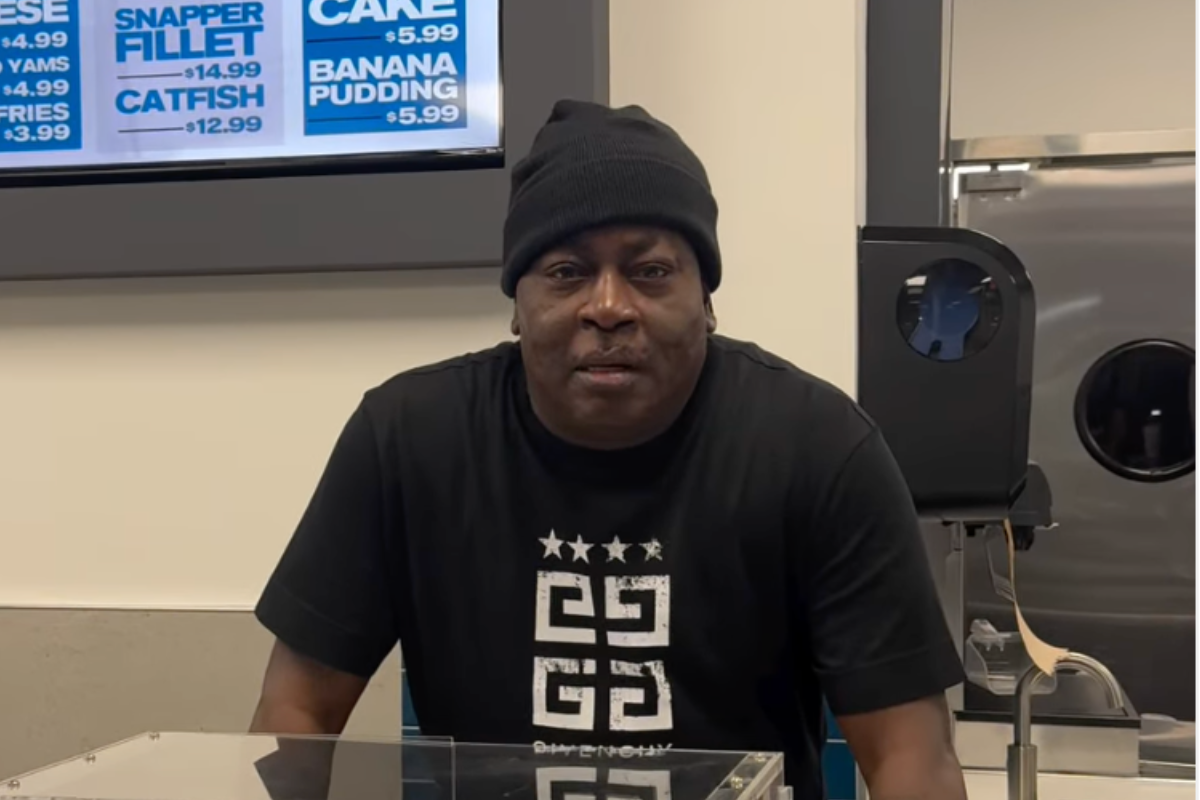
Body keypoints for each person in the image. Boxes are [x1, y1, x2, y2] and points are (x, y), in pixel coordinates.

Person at [250, 99, 968, 800]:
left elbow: (910, 757)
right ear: (516, 305)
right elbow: (296, 717)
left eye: (649, 271)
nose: (608, 307)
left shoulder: (818, 448)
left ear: (707, 300)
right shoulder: (406, 441)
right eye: (567, 272)